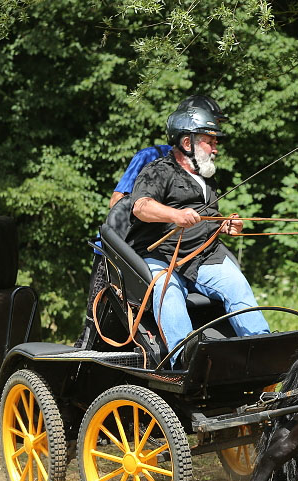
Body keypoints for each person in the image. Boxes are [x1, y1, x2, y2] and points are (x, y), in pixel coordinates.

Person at [75, 95, 229, 349]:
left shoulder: (201, 166)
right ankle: (85, 346)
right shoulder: (152, 158)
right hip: (126, 249)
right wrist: (167, 216)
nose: (214, 141)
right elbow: (119, 202)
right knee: (98, 317)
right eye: (208, 129)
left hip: (182, 251)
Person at [124, 105, 269, 366]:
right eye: (209, 141)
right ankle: (185, 362)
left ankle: (262, 353)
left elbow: (207, 219)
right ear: (186, 142)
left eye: (216, 142)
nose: (215, 148)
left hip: (203, 255)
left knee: (237, 284)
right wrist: (174, 215)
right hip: (160, 257)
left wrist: (225, 226)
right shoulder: (158, 171)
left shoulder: (207, 178)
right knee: (167, 291)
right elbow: (141, 206)